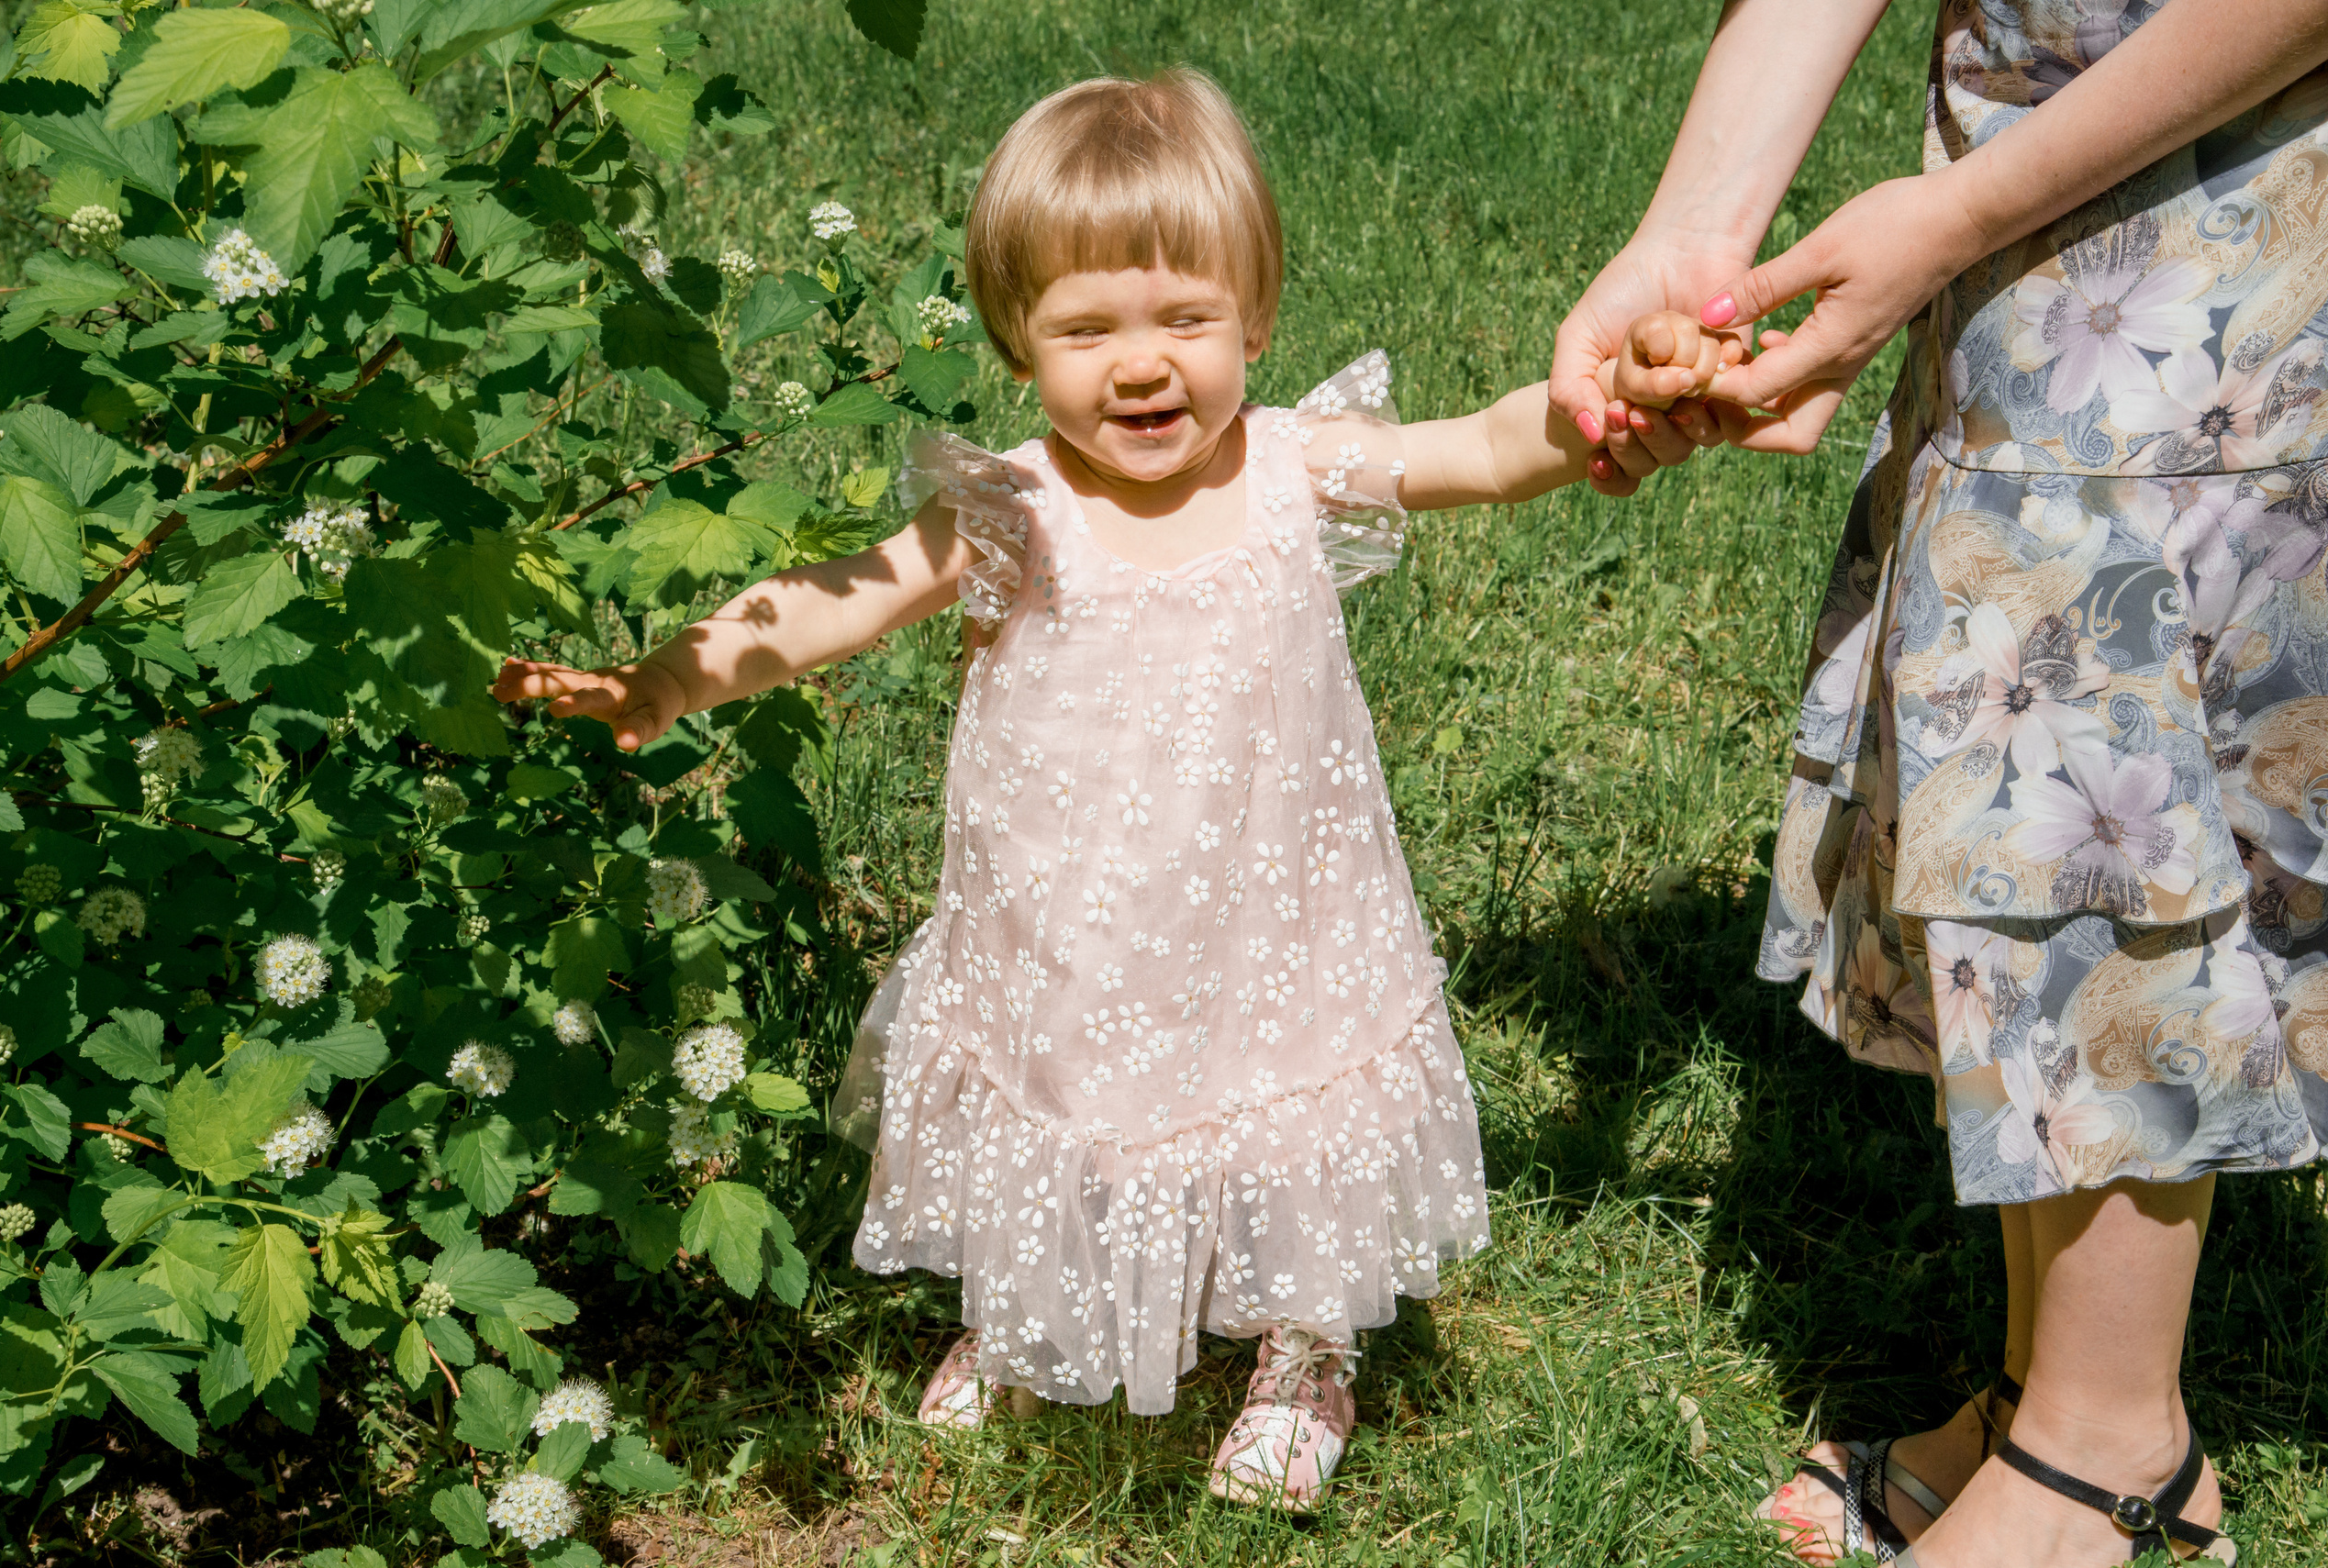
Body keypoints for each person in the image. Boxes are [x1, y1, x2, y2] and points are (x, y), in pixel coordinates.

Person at [494, 69, 1712, 1512]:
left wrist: (1601, 410)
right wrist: (673, 677)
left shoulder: (1293, 471)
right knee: (1065, 1070)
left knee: (1282, 1085)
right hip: (1069, 905)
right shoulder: (1012, 505)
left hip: (1271, 894)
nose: (1142, 366)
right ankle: (1030, 1306)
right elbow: (836, 599)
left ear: (1253, 316)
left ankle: (1305, 1342)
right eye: (1086, 329)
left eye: (1186, 319)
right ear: (1021, 340)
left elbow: (1486, 449)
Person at [1561, 3, 2328, 1564]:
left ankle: (2104, 1443)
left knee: (2106, 763)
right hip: (2026, 172)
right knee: (2030, 727)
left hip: (2242, 176)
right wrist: (1693, 242)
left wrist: (1959, 215)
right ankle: (2064, 1393)